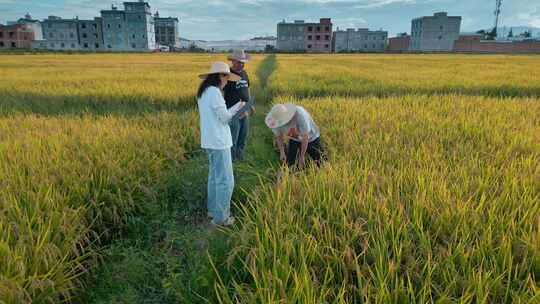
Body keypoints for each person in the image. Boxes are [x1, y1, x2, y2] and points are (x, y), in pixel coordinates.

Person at [197, 62, 245, 226]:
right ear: (219, 76)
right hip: (219, 141)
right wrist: (238, 108)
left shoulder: (203, 92)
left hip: (209, 140)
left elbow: (216, 115)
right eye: (226, 77)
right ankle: (222, 218)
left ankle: (213, 210)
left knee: (214, 177)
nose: (227, 81)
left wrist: (233, 109)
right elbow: (225, 118)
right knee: (226, 180)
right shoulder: (215, 93)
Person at [265, 104, 326, 169]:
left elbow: (305, 137)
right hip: (294, 138)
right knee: (291, 164)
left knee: (322, 163)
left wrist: (302, 157)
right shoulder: (274, 121)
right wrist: (282, 151)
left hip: (311, 138)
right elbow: (279, 137)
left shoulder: (300, 115)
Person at [224, 49, 253, 161]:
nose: (241, 64)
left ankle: (240, 156)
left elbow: (247, 89)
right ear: (233, 61)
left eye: (243, 62)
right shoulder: (227, 75)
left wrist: (250, 105)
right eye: (239, 62)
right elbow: (222, 93)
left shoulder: (244, 73)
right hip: (232, 112)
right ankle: (231, 160)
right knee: (233, 137)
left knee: (243, 135)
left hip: (244, 110)